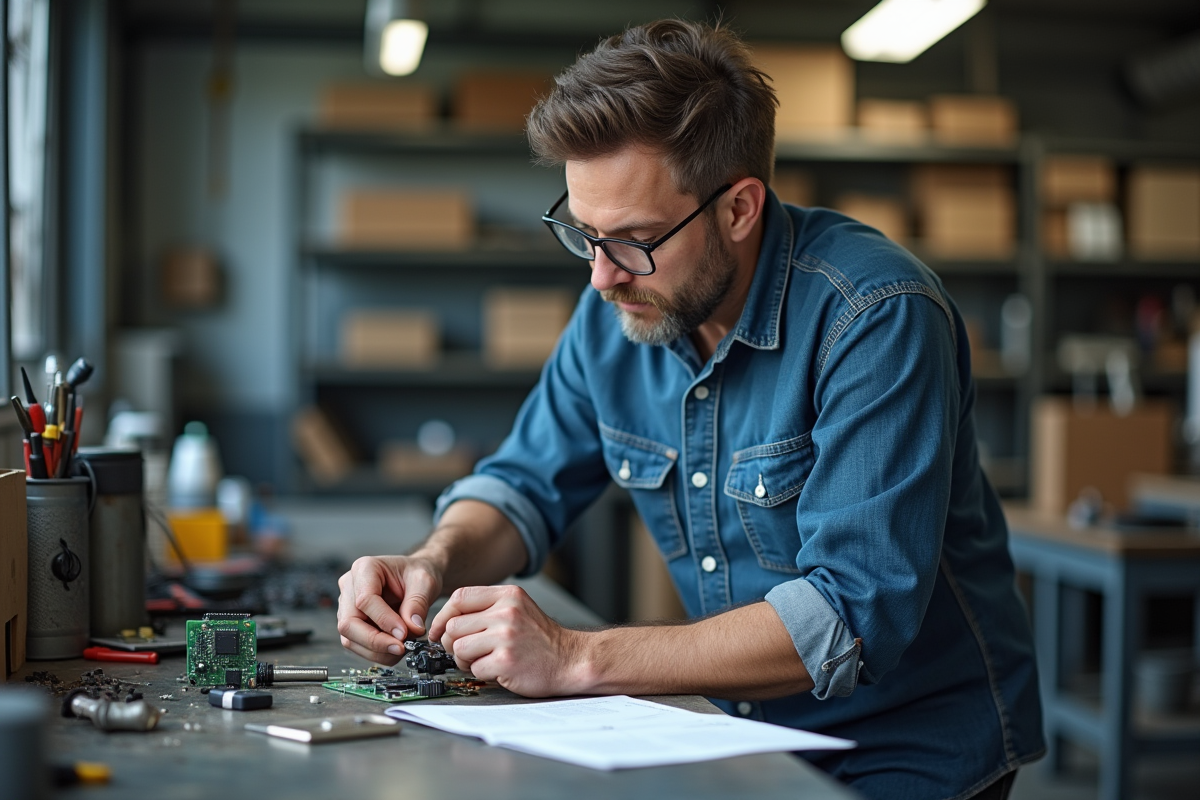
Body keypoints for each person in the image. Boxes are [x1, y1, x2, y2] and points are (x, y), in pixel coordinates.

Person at [337, 19, 1043, 800]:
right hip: (737, 724)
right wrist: (430, 563)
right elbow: (520, 486)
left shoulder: (875, 315)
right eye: (584, 233)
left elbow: (849, 615)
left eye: (635, 240)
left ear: (739, 209)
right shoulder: (620, 308)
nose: (602, 278)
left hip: (909, 740)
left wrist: (575, 657)